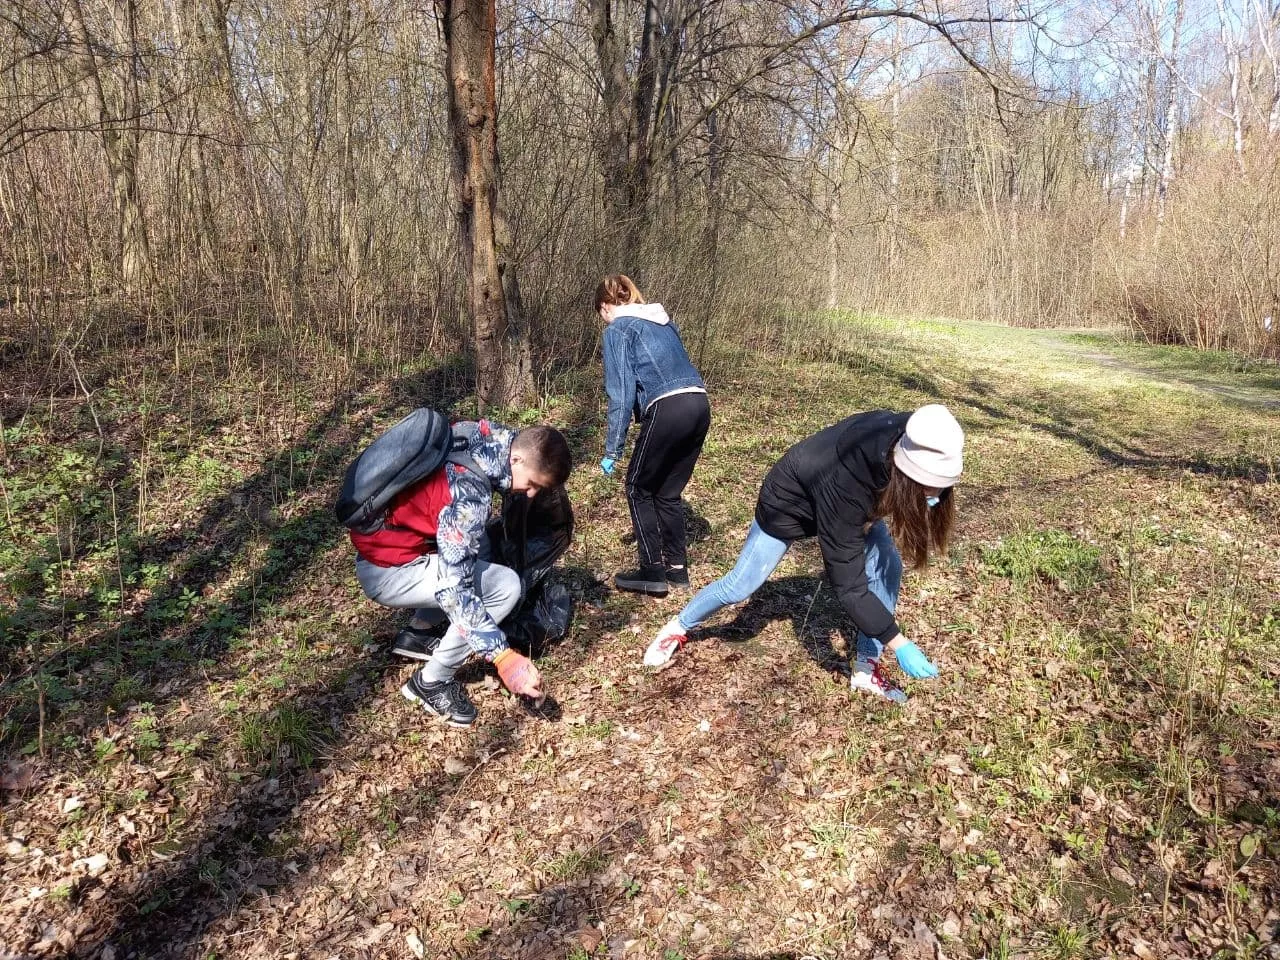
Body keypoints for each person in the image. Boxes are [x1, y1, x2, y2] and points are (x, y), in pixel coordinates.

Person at [643, 405, 963, 703]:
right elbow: (850, 588)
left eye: (940, 485)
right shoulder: (848, 486)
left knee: (888, 565)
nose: (934, 495)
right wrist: (901, 644)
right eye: (927, 486)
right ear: (906, 473)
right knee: (741, 585)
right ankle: (677, 627)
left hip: (853, 498)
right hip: (787, 504)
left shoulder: (919, 434)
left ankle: (866, 668)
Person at [350, 420, 572, 726]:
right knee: (505, 588)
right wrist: (503, 656)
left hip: (390, 543)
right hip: (388, 572)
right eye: (532, 484)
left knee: (479, 550)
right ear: (517, 459)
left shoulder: (482, 435)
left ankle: (419, 633)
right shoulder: (469, 496)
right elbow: (455, 591)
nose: (531, 494)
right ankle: (431, 682)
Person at [596, 274, 711, 597]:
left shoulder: (618, 329)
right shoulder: (663, 322)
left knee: (637, 488)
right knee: (667, 492)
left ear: (606, 307)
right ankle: (677, 570)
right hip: (699, 403)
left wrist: (612, 450)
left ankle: (651, 572)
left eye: (601, 314)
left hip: (668, 406)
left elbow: (620, 392)